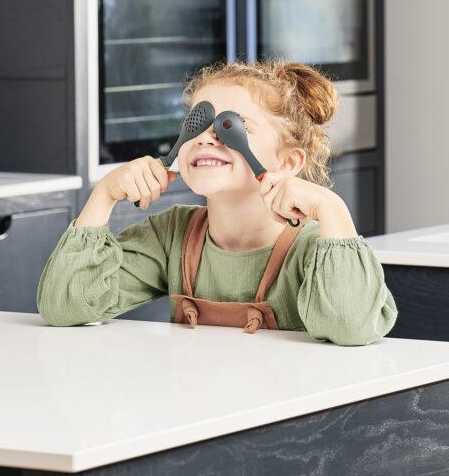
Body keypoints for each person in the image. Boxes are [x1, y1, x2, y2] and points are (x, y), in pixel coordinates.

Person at [36, 61, 397, 346]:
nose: (206, 139)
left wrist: (332, 210)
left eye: (232, 127)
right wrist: (103, 196)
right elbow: (65, 305)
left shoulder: (314, 250)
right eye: (196, 124)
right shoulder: (171, 236)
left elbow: (350, 326)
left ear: (287, 163)